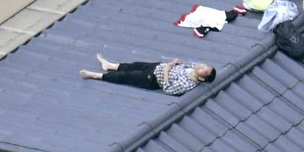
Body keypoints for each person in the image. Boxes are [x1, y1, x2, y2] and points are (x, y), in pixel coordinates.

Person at [79, 54, 215, 95]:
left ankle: (95, 75)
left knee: (127, 76)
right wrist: (175, 62)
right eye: (203, 65)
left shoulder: (188, 84)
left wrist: (167, 70)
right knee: (135, 65)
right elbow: (185, 64)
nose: (201, 66)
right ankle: (110, 66)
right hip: (157, 67)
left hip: (153, 80)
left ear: (202, 78)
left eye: (204, 69)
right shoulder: (192, 67)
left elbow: (168, 89)